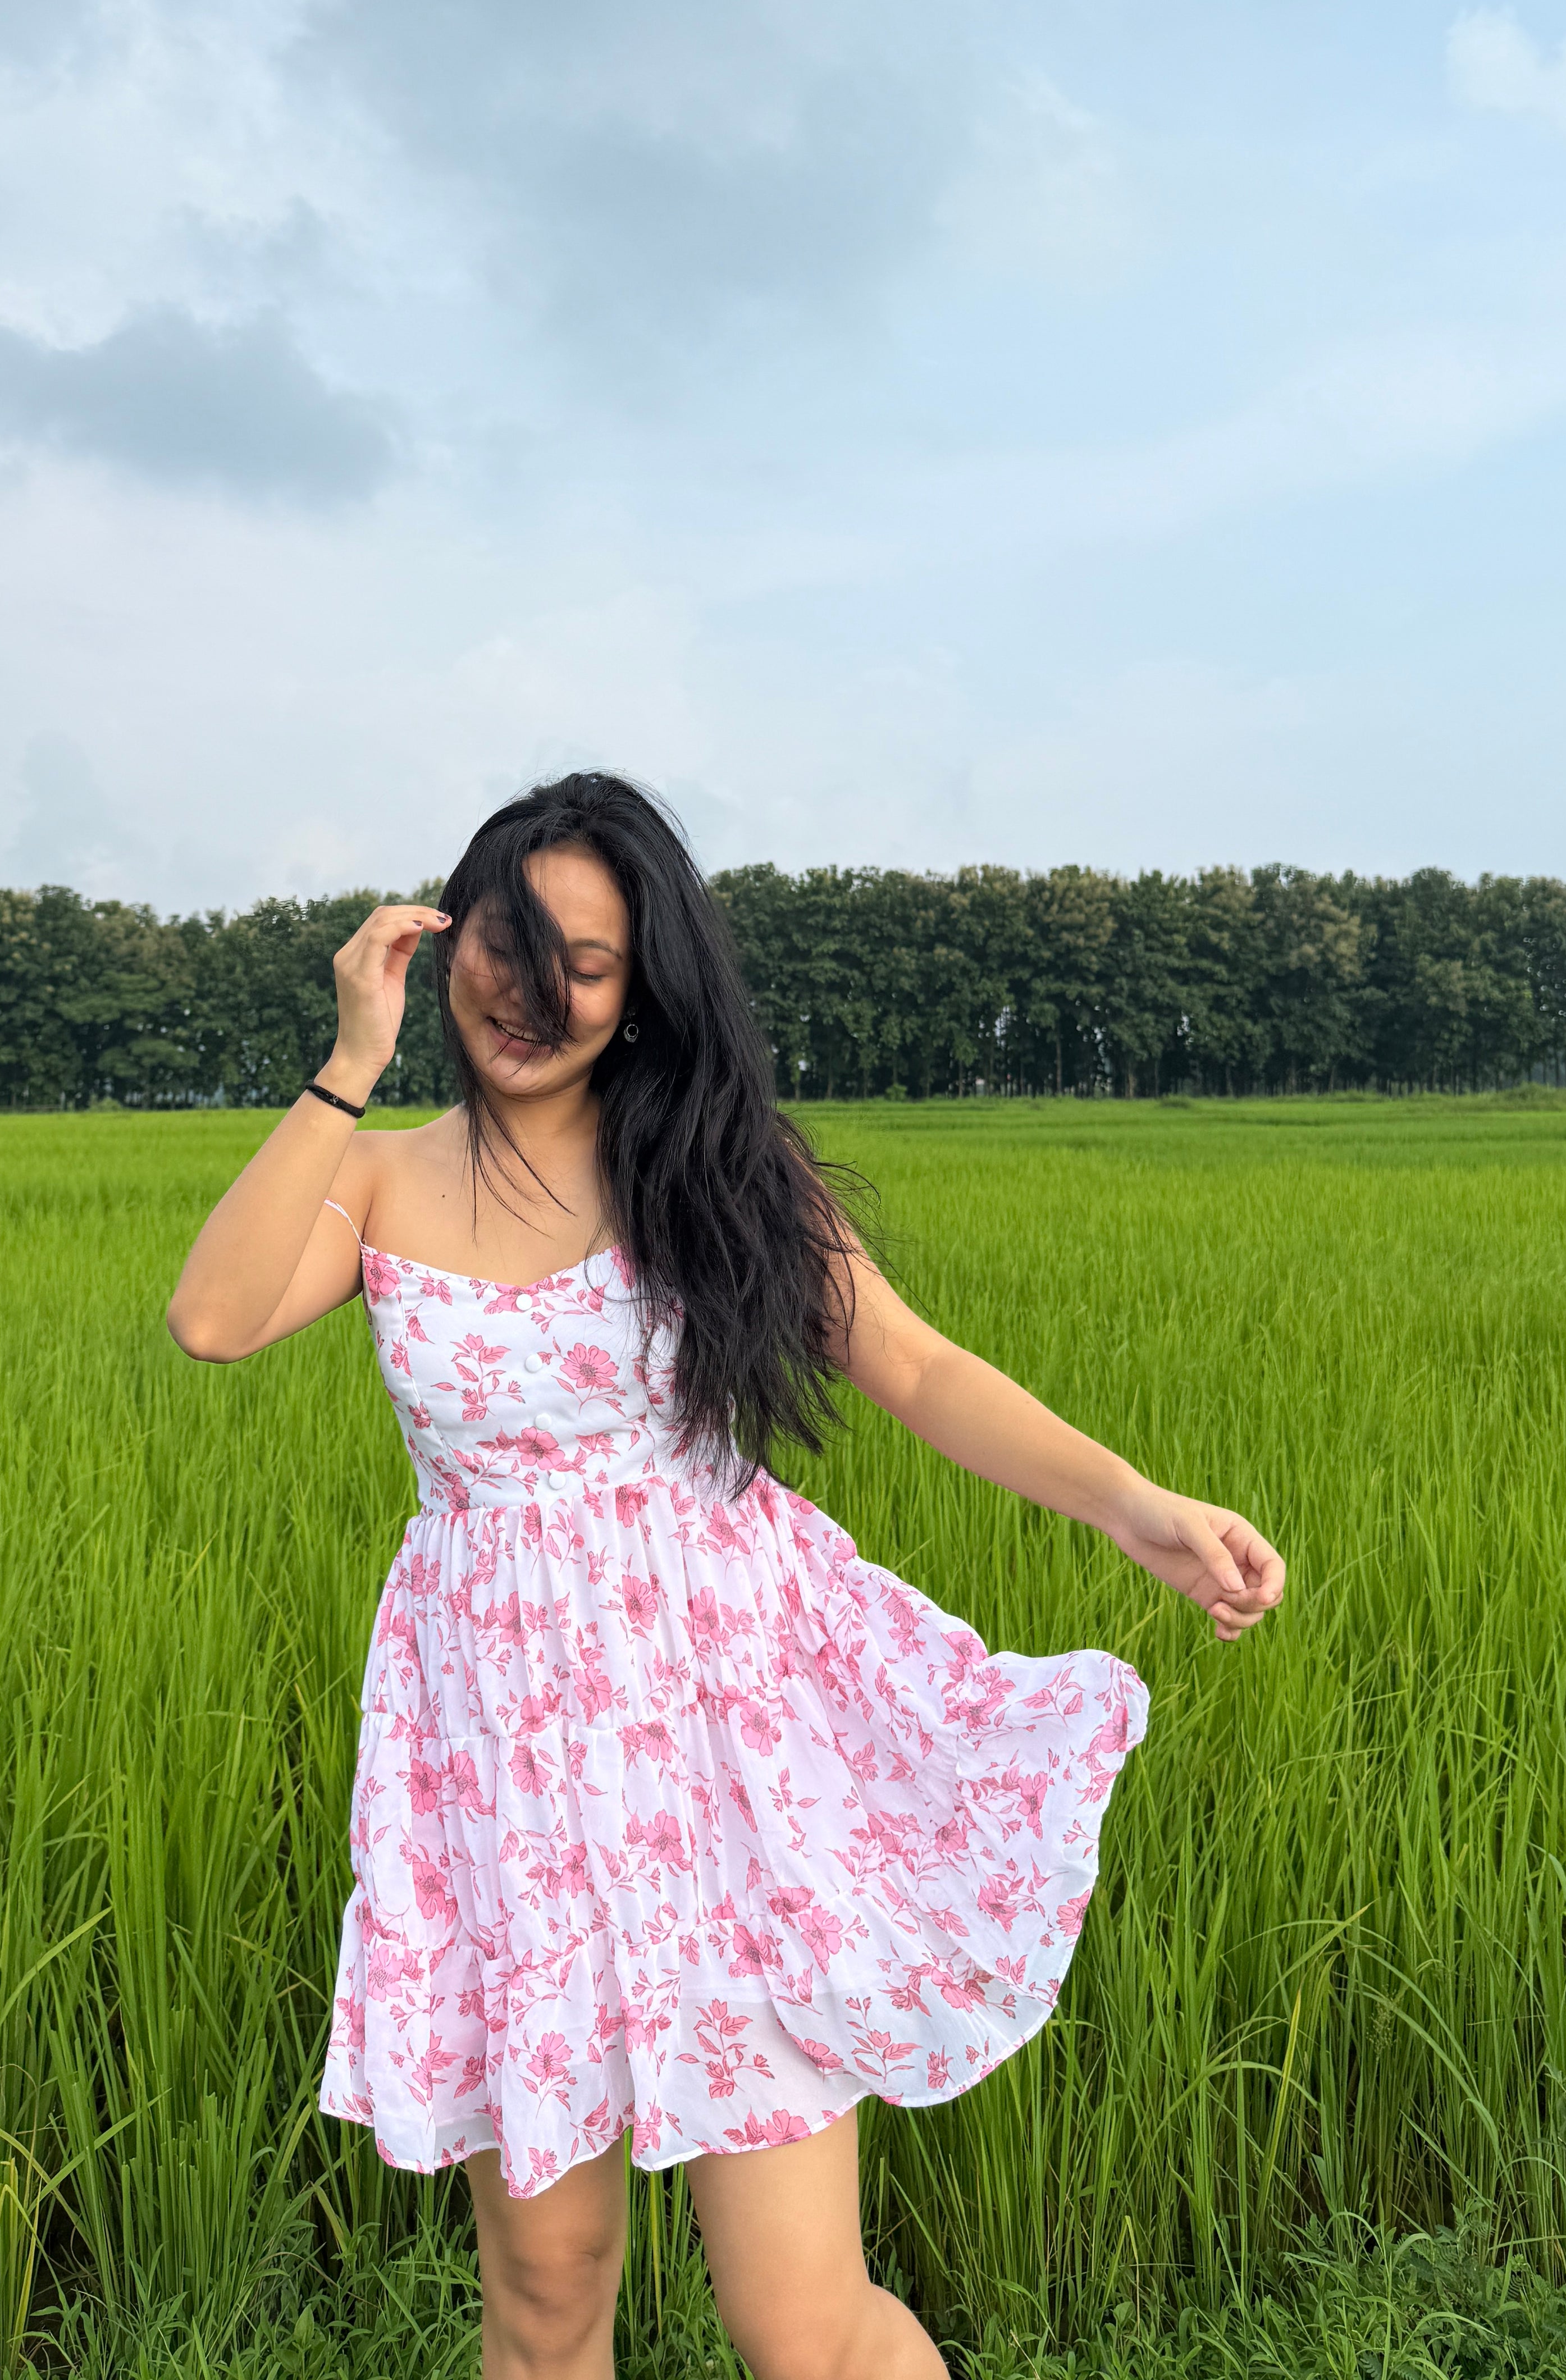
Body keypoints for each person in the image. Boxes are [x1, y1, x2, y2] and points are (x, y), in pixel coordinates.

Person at [167, 772, 1284, 2380]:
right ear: (443, 936)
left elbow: (910, 1364)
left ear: (643, 993)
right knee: (547, 2299)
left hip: (738, 1773)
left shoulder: (709, 1162)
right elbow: (214, 1317)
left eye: (590, 963)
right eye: (505, 939)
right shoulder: (386, 1177)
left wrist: (1133, 1506)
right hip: (508, 1783)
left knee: (799, 2324)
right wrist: (348, 1064)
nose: (532, 990)